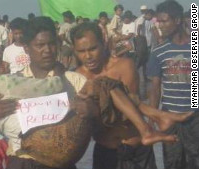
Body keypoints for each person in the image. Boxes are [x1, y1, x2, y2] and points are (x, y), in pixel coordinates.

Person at [0, 17, 177, 169]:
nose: (47, 50)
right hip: (22, 162)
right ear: (26, 48)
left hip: (65, 163)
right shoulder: (9, 84)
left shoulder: (76, 81)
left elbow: (105, 117)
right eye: (40, 46)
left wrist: (92, 112)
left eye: (51, 44)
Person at [71, 22, 191, 169]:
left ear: (104, 43)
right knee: (109, 88)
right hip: (106, 151)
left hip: (137, 149)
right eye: (81, 51)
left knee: (111, 89)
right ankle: (158, 115)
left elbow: (128, 114)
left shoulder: (124, 65)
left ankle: (157, 117)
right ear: (75, 51)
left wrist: (96, 102)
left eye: (93, 49)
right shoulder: (77, 77)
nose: (88, 56)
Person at [147, 1, 199, 168]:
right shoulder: (159, 51)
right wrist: (152, 117)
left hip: (195, 117)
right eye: (158, 21)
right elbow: (155, 88)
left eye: (164, 21)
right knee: (172, 162)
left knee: (196, 160)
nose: (160, 25)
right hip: (169, 117)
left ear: (177, 20)